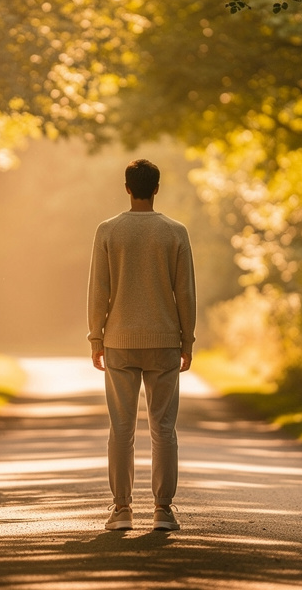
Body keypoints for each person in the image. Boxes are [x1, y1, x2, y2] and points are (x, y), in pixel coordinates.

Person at [87, 159, 196, 532]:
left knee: (121, 427)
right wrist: (188, 340)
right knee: (163, 428)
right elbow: (185, 293)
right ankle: (163, 510)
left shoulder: (108, 231)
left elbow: (98, 291)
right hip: (165, 342)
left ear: (128, 188)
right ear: (157, 188)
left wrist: (95, 338)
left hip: (118, 341)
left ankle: (122, 510)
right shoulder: (175, 232)